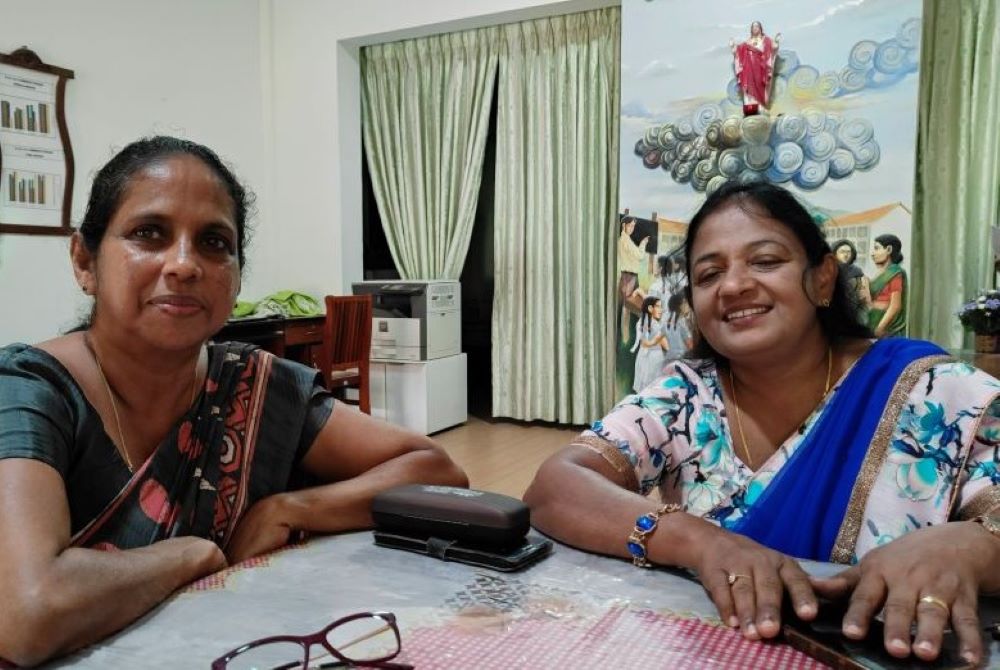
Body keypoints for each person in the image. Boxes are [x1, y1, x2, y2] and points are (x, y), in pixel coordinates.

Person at [0, 136, 468, 666]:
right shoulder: (31, 390)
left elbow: (436, 471)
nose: (184, 264)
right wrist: (191, 555)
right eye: (149, 233)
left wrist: (292, 508)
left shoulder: (251, 384)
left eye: (214, 242)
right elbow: (26, 613)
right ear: (85, 261)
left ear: (237, 276)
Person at [526, 181, 1000, 666]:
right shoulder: (686, 395)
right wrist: (702, 543)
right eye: (709, 274)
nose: (733, 286)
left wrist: (968, 547)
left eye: (766, 261)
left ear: (823, 279)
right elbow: (555, 487)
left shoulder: (931, 389)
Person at [730, 21, 780, 116]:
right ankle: (750, 105)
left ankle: (760, 105)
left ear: (760, 28)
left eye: (757, 26)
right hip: (748, 68)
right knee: (748, 87)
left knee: (760, 85)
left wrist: (776, 42)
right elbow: (738, 51)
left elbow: (773, 48)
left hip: (760, 68)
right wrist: (733, 47)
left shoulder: (766, 40)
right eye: (753, 27)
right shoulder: (747, 42)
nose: (755, 28)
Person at [868, 233, 907, 337]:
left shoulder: (894, 273)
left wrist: (880, 328)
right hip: (872, 320)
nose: (873, 253)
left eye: (877, 248)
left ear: (889, 250)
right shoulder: (880, 273)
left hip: (885, 326)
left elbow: (895, 306)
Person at [618, 216, 649, 343]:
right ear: (624, 226)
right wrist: (643, 243)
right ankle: (627, 338)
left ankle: (626, 338)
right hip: (629, 277)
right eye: (630, 226)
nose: (632, 228)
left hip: (628, 276)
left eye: (633, 226)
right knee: (631, 306)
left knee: (627, 308)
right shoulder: (625, 241)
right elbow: (640, 256)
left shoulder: (625, 239)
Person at [630, 296, 668, 393]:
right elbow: (666, 346)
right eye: (658, 306)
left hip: (642, 358)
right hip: (654, 360)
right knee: (654, 390)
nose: (661, 310)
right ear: (650, 308)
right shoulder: (656, 325)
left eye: (661, 307)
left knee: (643, 391)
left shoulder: (641, 322)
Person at [831, 238, 870, 323]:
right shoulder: (829, 271)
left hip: (854, 312)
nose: (846, 255)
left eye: (848, 252)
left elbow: (864, 296)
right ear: (835, 253)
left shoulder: (857, 271)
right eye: (842, 252)